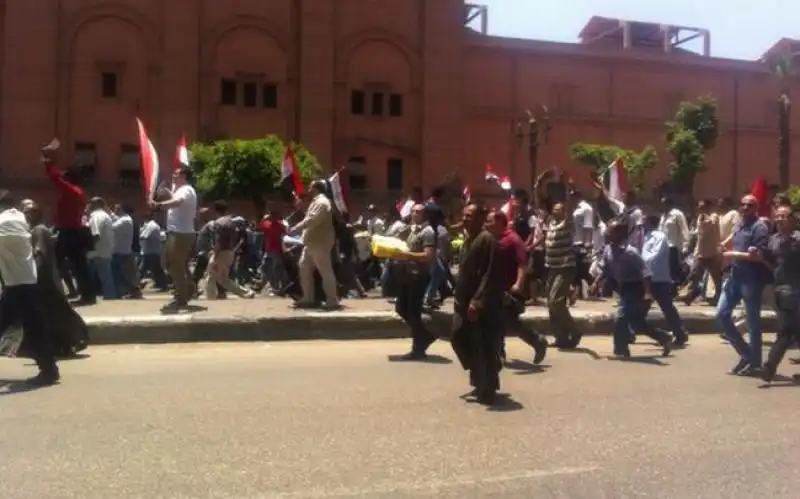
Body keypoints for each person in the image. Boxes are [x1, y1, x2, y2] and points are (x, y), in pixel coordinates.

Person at [590, 219, 673, 358]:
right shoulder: (608, 250)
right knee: (637, 322)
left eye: (611, 231)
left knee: (620, 318)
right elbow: (605, 270)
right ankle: (664, 337)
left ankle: (621, 349)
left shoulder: (631, 252)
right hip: (622, 288)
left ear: (620, 234)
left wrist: (647, 293)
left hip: (636, 288)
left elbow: (645, 273)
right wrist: (595, 283)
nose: (607, 233)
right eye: (608, 230)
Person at [0, 194, 59, 385]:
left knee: (34, 329)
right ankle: (50, 370)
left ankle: (49, 371)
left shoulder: (7, 222)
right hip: (23, 283)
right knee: (35, 328)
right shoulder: (18, 222)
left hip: (17, 286)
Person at [451, 204, 504, 405]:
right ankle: (480, 375)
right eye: (463, 215)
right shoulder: (467, 239)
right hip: (462, 300)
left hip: (481, 303)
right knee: (458, 336)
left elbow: (489, 274)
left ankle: (487, 385)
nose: (464, 219)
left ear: (481, 219)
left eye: (469, 216)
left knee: (484, 345)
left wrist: (477, 301)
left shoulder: (487, 240)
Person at [716, 194, 770, 376]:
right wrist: (724, 244)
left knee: (753, 322)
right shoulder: (740, 223)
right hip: (735, 276)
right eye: (743, 204)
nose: (745, 208)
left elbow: (757, 256)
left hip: (752, 279)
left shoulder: (759, 227)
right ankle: (747, 354)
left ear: (756, 208)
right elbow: (734, 236)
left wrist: (732, 254)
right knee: (722, 314)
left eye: (749, 205)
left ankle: (755, 363)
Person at [486, 210, 548, 364]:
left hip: (511, 289)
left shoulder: (513, 240)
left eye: (490, 221)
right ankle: (499, 353)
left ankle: (536, 341)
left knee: (507, 321)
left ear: (500, 222)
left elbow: (522, 263)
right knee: (499, 320)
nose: (487, 223)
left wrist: (519, 283)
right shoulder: (492, 238)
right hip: (495, 287)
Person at [757, 204, 800, 382]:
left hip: (795, 291)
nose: (780, 219)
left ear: (793, 219)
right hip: (781, 291)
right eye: (778, 216)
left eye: (784, 216)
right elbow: (774, 264)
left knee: (785, 332)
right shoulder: (773, 240)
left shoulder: (797, 239)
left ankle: (769, 367)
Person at [392, 204, 438, 359]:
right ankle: (425, 336)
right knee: (401, 308)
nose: (414, 214)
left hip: (419, 276)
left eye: (418, 212)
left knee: (413, 312)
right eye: (413, 211)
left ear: (425, 215)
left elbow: (428, 256)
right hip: (407, 275)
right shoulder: (412, 230)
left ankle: (419, 346)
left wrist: (407, 256)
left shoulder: (428, 232)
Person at [150, 165, 198, 310]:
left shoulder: (186, 190)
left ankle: (181, 297)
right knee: (176, 265)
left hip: (180, 234)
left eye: (176, 174)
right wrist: (168, 193)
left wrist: (159, 205)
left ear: (184, 176)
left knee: (174, 266)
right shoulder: (181, 190)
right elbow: (177, 201)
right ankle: (189, 290)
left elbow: (178, 203)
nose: (173, 176)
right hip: (178, 233)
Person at [641, 213, 689, 347]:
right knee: (640, 310)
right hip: (645, 279)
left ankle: (680, 334)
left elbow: (653, 257)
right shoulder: (642, 237)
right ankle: (629, 334)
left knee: (667, 309)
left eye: (643, 221)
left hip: (658, 278)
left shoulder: (660, 237)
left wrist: (639, 263)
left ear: (650, 222)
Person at [290, 180, 339, 309]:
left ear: (316, 188)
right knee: (303, 267)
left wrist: (296, 228)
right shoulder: (316, 202)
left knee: (325, 270)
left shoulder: (322, 202)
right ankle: (308, 297)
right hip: (311, 242)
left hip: (320, 242)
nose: (309, 189)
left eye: (311, 187)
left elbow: (312, 219)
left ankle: (332, 300)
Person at [205, 201, 255, 300]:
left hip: (221, 252)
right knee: (223, 279)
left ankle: (211, 298)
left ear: (215, 210)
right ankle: (247, 293)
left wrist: (214, 255)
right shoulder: (231, 222)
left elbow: (219, 240)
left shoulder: (218, 222)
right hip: (230, 252)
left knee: (210, 277)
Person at [86, 197, 116, 300]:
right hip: (105, 250)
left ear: (94, 205)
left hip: (96, 252)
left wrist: (87, 248)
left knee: (94, 276)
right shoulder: (105, 216)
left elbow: (95, 235)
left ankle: (107, 295)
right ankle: (110, 294)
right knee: (106, 276)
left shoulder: (96, 217)